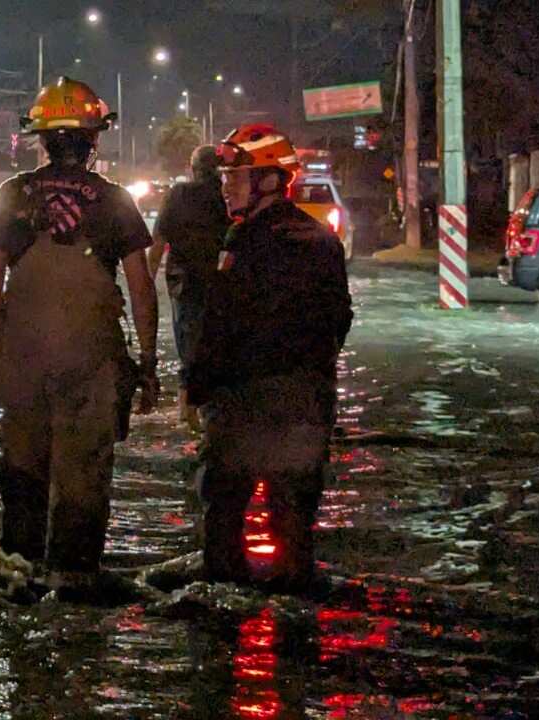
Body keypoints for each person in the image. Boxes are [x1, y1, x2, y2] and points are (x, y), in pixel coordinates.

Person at [0, 77, 160, 598]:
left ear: (41, 140)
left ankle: (18, 578)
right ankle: (74, 588)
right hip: (91, 364)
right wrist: (147, 362)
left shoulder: (13, 195)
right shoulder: (115, 200)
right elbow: (141, 288)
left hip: (23, 363)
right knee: (83, 481)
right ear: (93, 140)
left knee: (23, 475)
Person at [185, 124, 353, 592]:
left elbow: (218, 325)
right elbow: (340, 318)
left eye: (235, 179)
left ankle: (218, 642)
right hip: (304, 401)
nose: (225, 189)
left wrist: (195, 389)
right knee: (294, 521)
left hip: (243, 402)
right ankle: (297, 637)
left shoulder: (241, 244)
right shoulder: (323, 241)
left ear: (270, 182)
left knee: (223, 523)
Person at [147, 145, 229, 429]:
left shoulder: (178, 195)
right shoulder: (228, 197)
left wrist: (145, 283)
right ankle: (209, 406)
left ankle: (187, 409)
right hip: (222, 281)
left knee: (189, 343)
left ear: (192, 168)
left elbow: (158, 242)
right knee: (219, 342)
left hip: (185, 282)